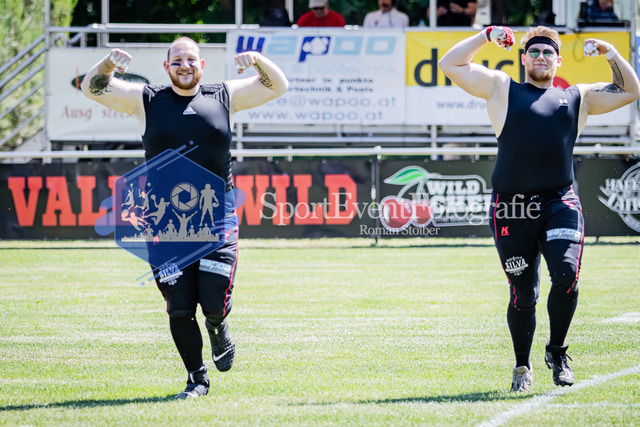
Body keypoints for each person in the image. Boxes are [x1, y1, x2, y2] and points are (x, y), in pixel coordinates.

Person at [80, 37, 288, 399]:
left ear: (202, 64)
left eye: (191, 60)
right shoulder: (146, 100)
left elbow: (277, 86)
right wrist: (107, 66)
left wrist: (257, 60)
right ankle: (197, 379)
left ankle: (217, 325)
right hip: (165, 222)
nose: (185, 66)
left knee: (213, 300)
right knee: (179, 307)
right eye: (177, 61)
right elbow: (92, 88)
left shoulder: (223, 96)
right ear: (166, 67)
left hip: (216, 215)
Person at [439, 26, 640, 392]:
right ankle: (522, 366)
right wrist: (486, 35)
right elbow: (450, 64)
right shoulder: (502, 89)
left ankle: (557, 352)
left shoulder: (577, 97)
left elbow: (630, 90)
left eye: (548, 52)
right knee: (523, 294)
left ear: (558, 60)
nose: (541, 57)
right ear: (523, 58)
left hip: (559, 202)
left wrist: (610, 52)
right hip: (510, 208)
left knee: (566, 276)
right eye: (534, 52)